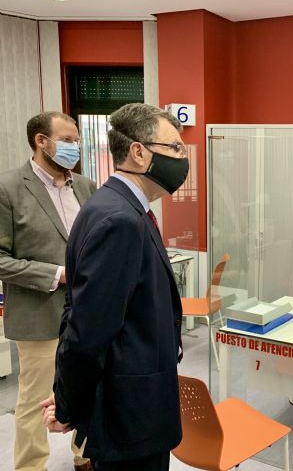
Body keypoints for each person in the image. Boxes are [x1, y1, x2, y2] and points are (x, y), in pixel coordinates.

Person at [40, 103, 187, 471]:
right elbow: (88, 330)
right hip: (130, 415)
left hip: (134, 402)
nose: (182, 158)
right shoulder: (119, 220)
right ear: (139, 152)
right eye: (175, 147)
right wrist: (68, 402)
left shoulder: (114, 206)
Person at [0, 111, 95, 471]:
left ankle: (85, 454)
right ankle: (30, 466)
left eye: (77, 140)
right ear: (41, 141)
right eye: (67, 140)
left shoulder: (86, 187)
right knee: (36, 399)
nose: (75, 147)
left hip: (87, 312)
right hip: (38, 314)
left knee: (89, 386)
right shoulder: (8, 188)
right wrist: (56, 274)